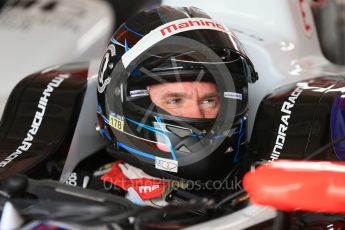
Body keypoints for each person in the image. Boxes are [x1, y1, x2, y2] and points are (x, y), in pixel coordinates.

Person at [71, 5, 258, 207]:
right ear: (124, 104)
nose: (197, 114)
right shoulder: (83, 197)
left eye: (209, 100)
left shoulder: (258, 188)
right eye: (175, 100)